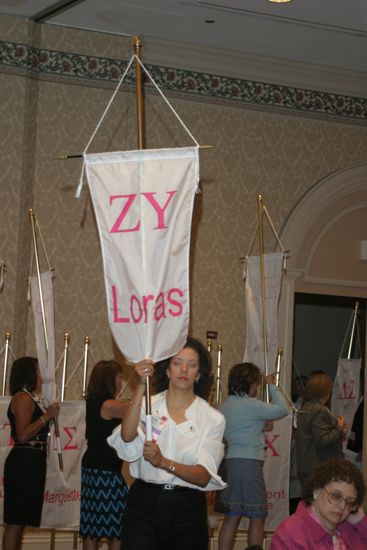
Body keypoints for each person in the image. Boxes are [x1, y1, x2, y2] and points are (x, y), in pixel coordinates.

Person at [108, 337, 226, 550]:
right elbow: (126, 436)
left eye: (191, 365)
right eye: (177, 362)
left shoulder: (212, 418)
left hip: (187, 509)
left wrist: (163, 462)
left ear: (198, 374)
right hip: (144, 503)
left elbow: (202, 476)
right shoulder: (148, 405)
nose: (184, 369)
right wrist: (140, 385)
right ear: (167, 370)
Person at [216, 362, 288, 550]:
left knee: (231, 516)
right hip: (249, 464)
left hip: (230, 463)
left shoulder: (226, 405)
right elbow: (283, 408)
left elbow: (244, 426)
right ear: (249, 383)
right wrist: (271, 384)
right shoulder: (252, 405)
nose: (257, 387)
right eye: (256, 384)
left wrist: (262, 425)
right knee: (258, 516)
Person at [2, 356, 59, 550]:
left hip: (30, 462)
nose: (41, 376)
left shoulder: (28, 397)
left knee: (21, 521)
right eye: (37, 371)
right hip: (23, 463)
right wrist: (47, 417)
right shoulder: (23, 398)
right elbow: (23, 434)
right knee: (15, 522)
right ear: (28, 374)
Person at [79, 360, 129, 550]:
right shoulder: (109, 405)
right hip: (106, 472)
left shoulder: (91, 403)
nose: (121, 381)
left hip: (91, 468)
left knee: (91, 525)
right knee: (118, 525)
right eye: (119, 377)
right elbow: (135, 413)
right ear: (110, 379)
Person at [269, 458, 367, 549]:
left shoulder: (347, 527)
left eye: (349, 502)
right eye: (336, 496)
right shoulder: (290, 535)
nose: (342, 506)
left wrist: (361, 521)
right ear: (316, 491)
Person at [296, 373, 346, 488]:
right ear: (327, 391)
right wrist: (338, 429)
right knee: (318, 504)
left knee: (310, 503)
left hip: (308, 466)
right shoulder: (318, 410)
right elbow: (322, 440)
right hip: (318, 467)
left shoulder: (307, 406)